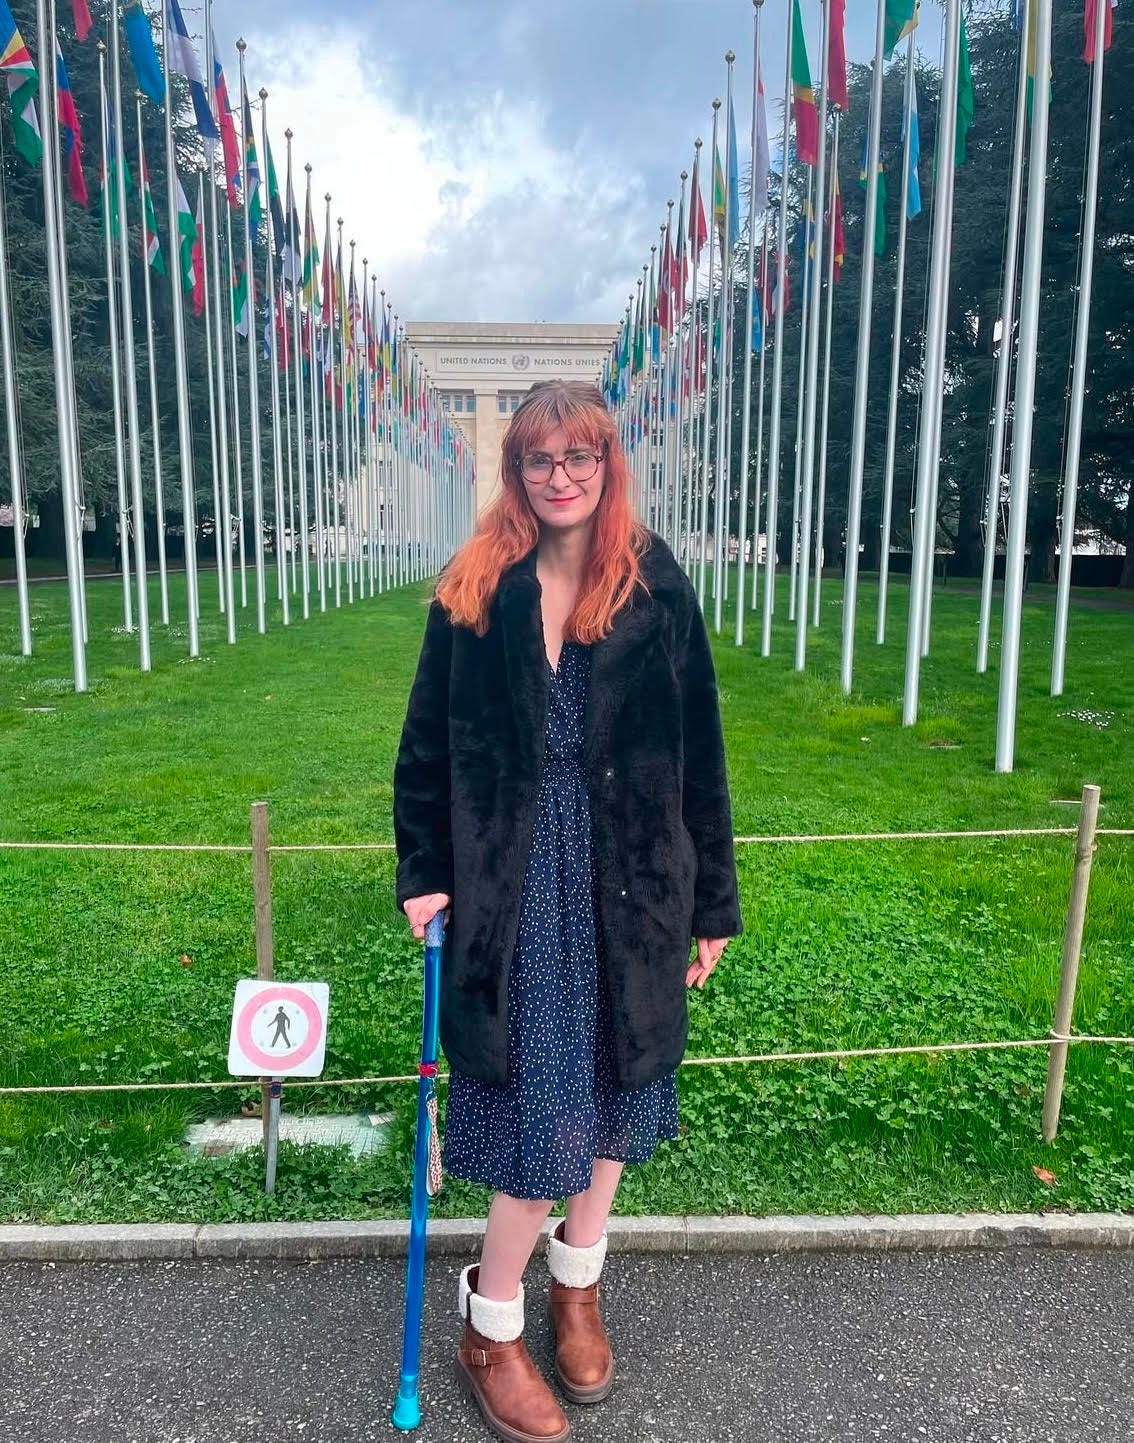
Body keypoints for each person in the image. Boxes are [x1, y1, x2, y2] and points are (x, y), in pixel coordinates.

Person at [393, 378, 742, 1442]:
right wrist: (423, 871)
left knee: (616, 1089)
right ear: (517, 470)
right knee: (543, 1111)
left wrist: (712, 899)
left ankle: (576, 1287)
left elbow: (701, 752)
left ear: (606, 464)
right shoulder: (475, 588)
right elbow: (425, 748)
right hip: (515, 882)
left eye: (579, 456)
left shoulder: (655, 583)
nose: (561, 476)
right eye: (540, 459)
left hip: (633, 877)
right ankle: (489, 1326)